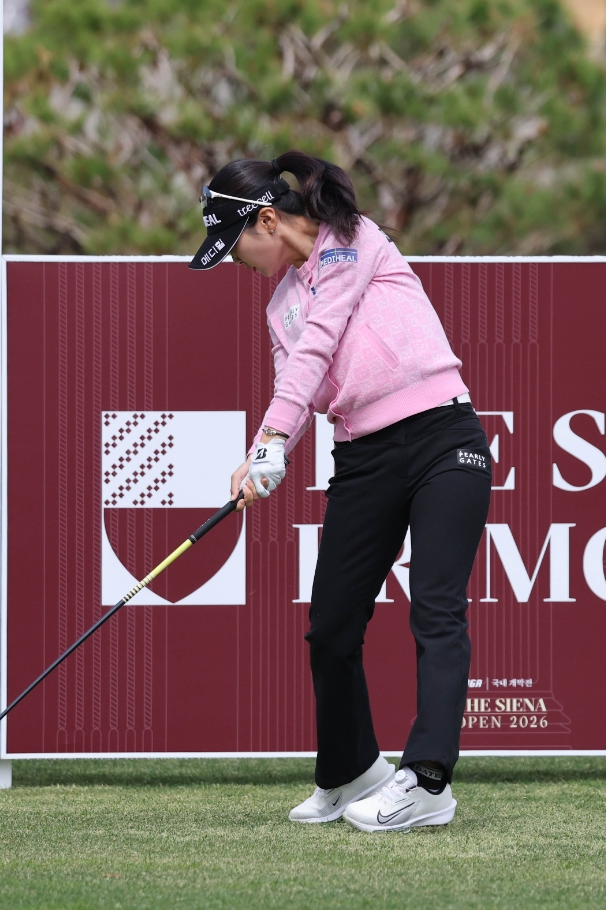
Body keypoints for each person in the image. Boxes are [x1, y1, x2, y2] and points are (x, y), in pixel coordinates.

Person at [188, 151, 492, 832]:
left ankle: (429, 782)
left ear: (268, 221)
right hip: (363, 458)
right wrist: (268, 456)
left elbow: (321, 344)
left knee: (436, 611)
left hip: (443, 438)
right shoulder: (280, 306)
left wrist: (268, 438)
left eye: (235, 245)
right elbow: (301, 385)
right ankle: (353, 771)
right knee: (330, 626)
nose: (236, 262)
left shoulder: (353, 242)